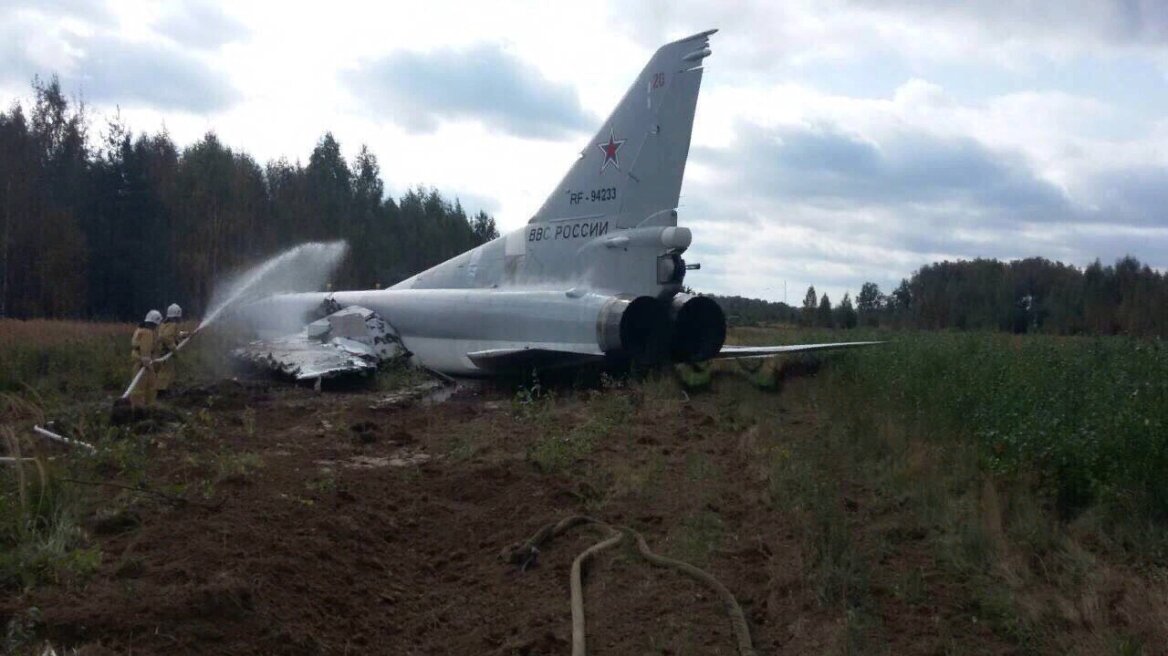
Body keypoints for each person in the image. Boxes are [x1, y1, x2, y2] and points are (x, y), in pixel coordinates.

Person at [130, 310, 162, 408]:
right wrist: (146, 361)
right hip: (143, 363)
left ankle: (146, 405)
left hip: (139, 361)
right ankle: (141, 407)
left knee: (146, 385)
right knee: (144, 386)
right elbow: (146, 348)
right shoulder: (147, 333)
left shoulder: (140, 329)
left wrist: (182, 334)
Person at [156, 303, 183, 396]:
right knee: (165, 371)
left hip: (162, 350)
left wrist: (184, 334)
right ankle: (161, 391)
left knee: (166, 371)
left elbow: (174, 334)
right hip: (166, 351)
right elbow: (167, 337)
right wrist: (174, 349)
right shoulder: (173, 324)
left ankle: (165, 389)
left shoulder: (164, 323)